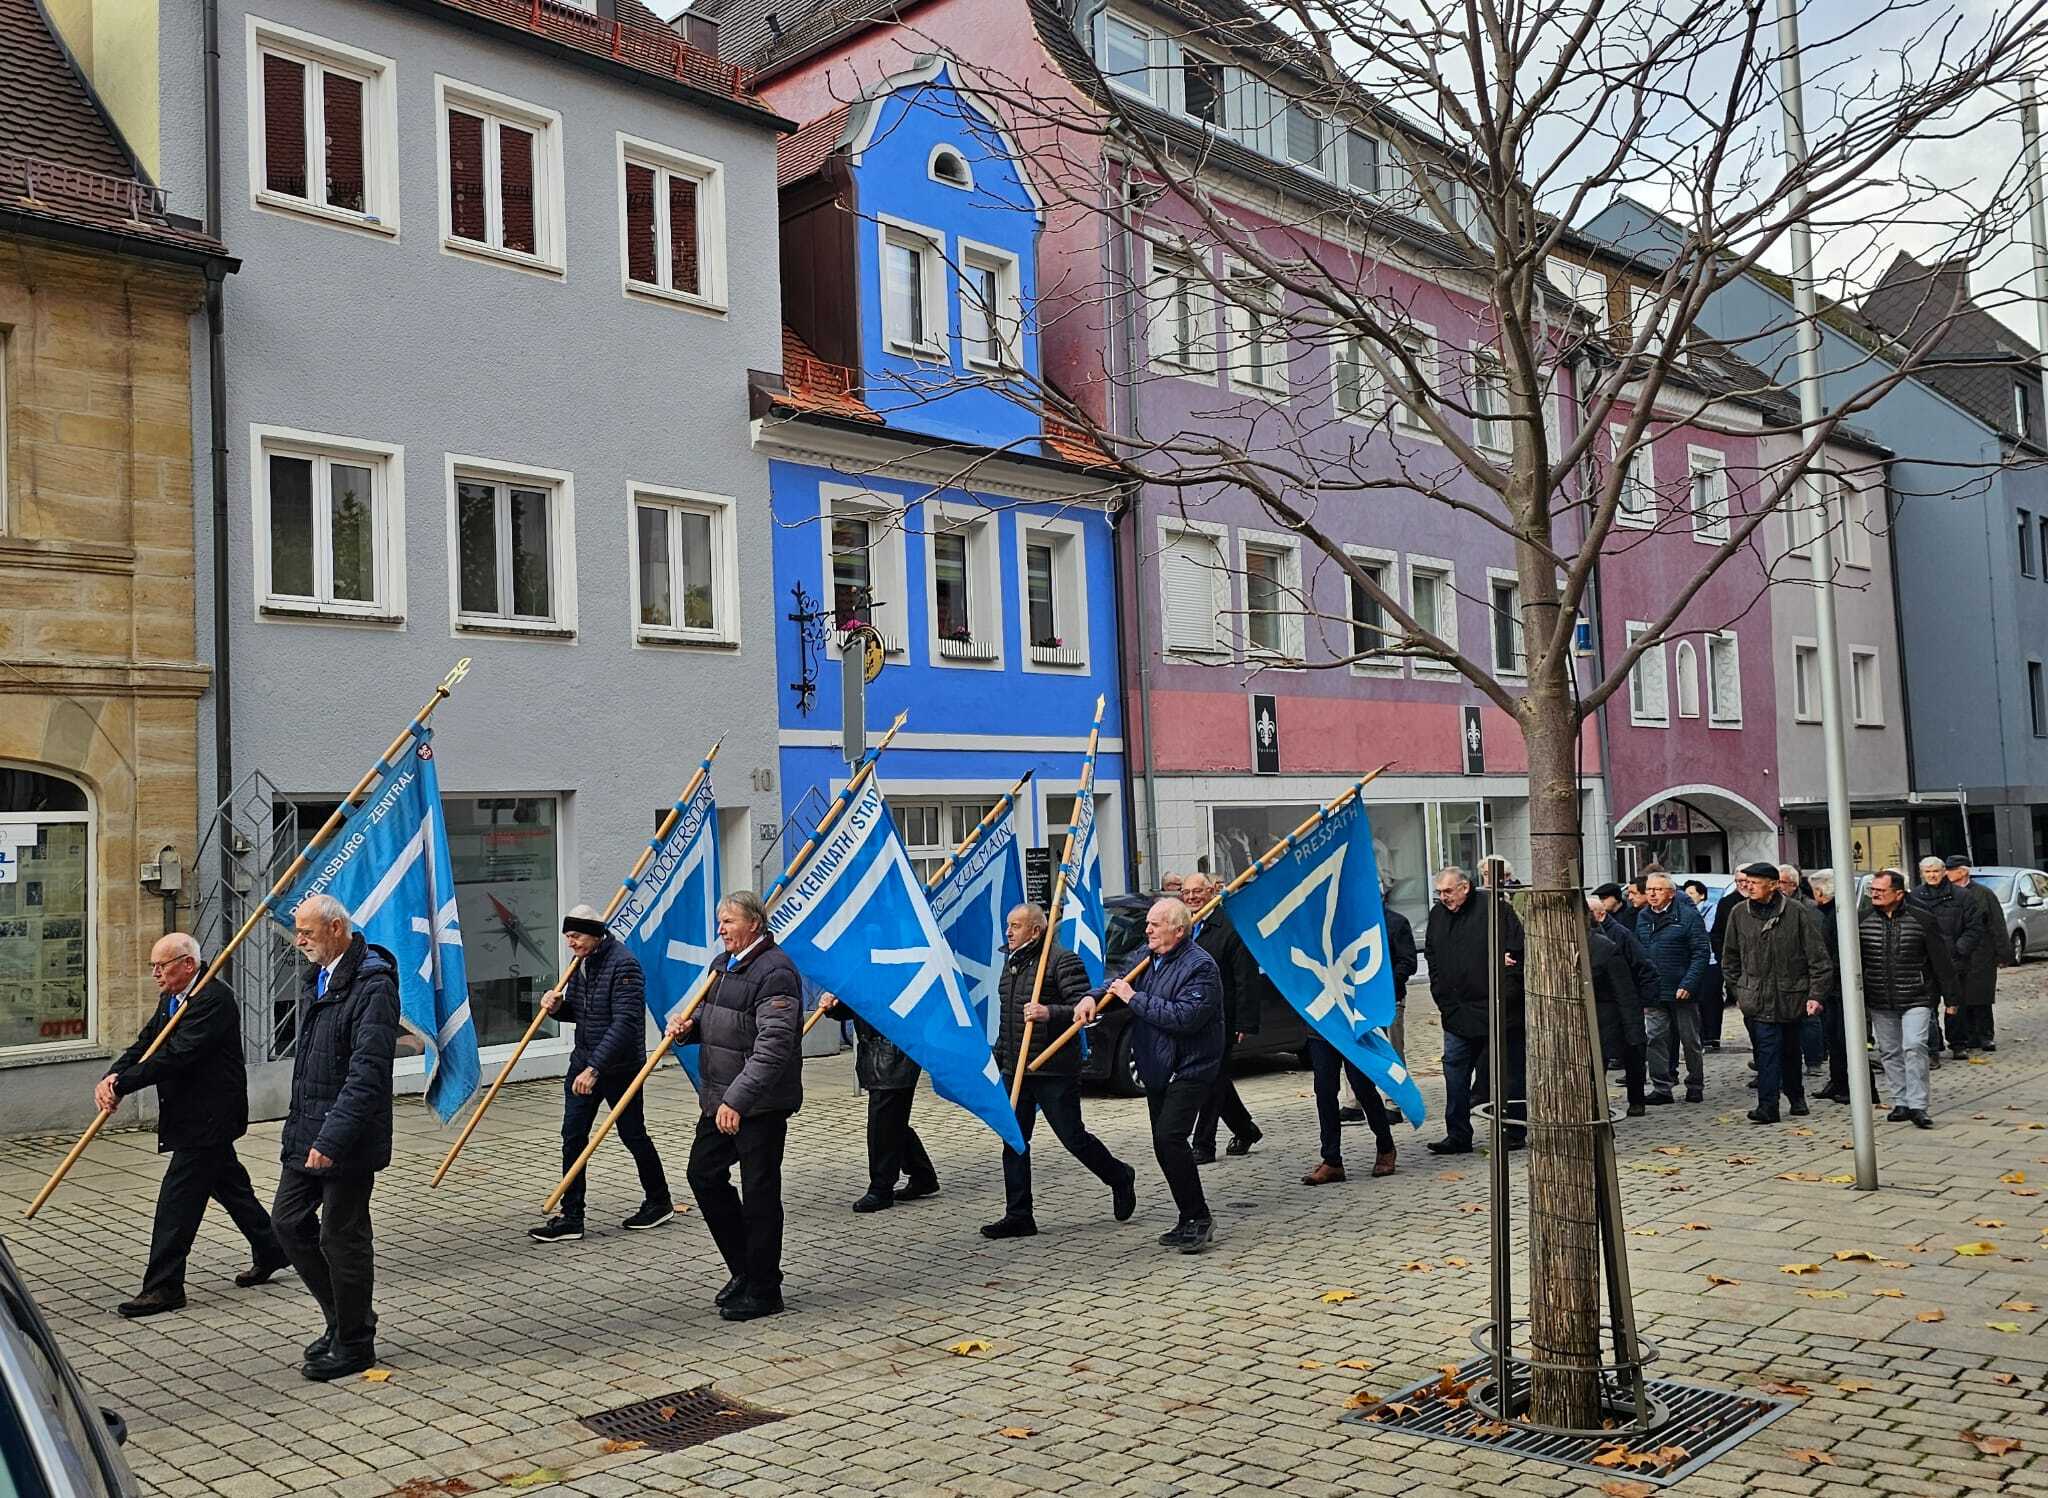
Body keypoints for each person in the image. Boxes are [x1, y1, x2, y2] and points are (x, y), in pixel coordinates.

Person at [99, 933, 287, 1318]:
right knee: (231, 1187)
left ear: (187, 964)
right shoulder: (172, 996)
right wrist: (112, 1076)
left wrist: (125, 1083)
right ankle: (273, 1248)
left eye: (161, 966)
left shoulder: (212, 999)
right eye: (153, 966)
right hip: (189, 1115)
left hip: (208, 1117)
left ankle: (164, 1287)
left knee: (177, 1203)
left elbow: (178, 1055)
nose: (155, 973)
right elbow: (148, 1043)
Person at [272, 894, 399, 1381]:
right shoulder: (319, 978)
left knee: (341, 1236)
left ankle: (355, 1343)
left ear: (337, 928)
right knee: (287, 1224)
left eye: (306, 932)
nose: (299, 941)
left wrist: (333, 1138)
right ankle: (344, 1318)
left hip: (347, 1136)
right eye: (297, 932)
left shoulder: (372, 983)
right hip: (308, 1126)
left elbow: (367, 1072)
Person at [669, 892, 802, 1322]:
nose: (720, 929)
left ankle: (765, 1288)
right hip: (720, 1096)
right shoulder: (721, 967)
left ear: (754, 924)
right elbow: (714, 1022)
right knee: (703, 1174)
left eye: (728, 921)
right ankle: (744, 1268)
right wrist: (688, 1029)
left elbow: (774, 1046)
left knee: (760, 1191)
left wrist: (737, 1100)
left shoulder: (775, 971)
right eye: (719, 921)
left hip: (757, 1103)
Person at [981, 903, 1135, 1240]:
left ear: (1036, 930)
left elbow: (1085, 1009)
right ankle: (1019, 1214)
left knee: (1072, 1137)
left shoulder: (1061, 960)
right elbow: (1009, 1020)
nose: (1009, 931)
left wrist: (1049, 1012)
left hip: (1052, 1069)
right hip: (1017, 1068)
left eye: (1016, 925)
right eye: (1008, 925)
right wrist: (1000, 1058)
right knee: (1014, 1140)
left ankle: (1119, 1176)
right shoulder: (1012, 964)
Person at [529, 906, 673, 1244]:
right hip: (584, 1061)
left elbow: (624, 1024)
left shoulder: (624, 965)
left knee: (632, 1134)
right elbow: (581, 1012)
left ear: (595, 933)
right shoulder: (582, 963)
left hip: (618, 1067)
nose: (571, 943)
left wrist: (596, 1068)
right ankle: (571, 1215)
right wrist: (556, 1007)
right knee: (573, 1136)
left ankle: (659, 1200)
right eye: (568, 937)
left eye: (576, 936)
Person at [1105, 897, 1224, 1253]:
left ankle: (1200, 1218)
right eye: (1148, 924)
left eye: (1155, 924)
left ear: (1179, 929)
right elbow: (1118, 981)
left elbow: (1184, 1017)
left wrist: (1133, 999)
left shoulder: (1200, 966)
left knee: (1171, 1138)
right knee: (1163, 1144)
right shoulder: (1148, 955)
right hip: (1157, 1066)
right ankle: (1187, 1216)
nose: (1148, 929)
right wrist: (1092, 997)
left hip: (1191, 1066)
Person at [1721, 863, 1833, 1125]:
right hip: (1756, 999)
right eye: (1746, 882)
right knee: (1767, 1051)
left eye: (1755, 882)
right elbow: (1730, 957)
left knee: (1791, 1051)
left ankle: (1796, 1096)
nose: (1748, 887)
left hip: (1791, 996)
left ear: (1773, 885)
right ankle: (1767, 1105)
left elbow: (1818, 958)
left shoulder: (1796, 912)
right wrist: (1740, 988)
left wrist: (1815, 995)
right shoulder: (1739, 913)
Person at [1424, 866, 1524, 1155]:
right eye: (1439, 892)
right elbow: (1432, 955)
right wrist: (1441, 996)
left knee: (1507, 1072)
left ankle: (1514, 1129)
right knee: (1454, 1071)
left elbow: (1516, 956)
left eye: (1448, 891)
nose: (1443, 898)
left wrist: (1505, 997)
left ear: (1465, 887)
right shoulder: (1438, 916)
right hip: (1456, 1011)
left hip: (1498, 1010)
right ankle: (1457, 1134)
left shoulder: (1495, 909)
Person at [816, 991, 938, 1212]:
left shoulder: (898, 968)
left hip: (896, 1052)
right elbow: (859, 1005)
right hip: (876, 1053)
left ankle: (881, 1188)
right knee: (892, 1121)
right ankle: (922, 1175)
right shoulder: (869, 967)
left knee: (883, 1124)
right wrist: (834, 1005)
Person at [1860, 869, 1956, 1129]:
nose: (1875, 894)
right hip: (1880, 997)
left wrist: (1951, 997)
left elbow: (1941, 959)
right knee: (1889, 1051)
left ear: (1899, 893)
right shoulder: (1863, 919)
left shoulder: (1922, 919)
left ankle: (1918, 1105)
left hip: (1917, 995)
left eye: (1881, 890)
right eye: (1873, 890)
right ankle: (1900, 1101)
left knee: (1914, 1046)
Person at [1178, 873, 1264, 1163]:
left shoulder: (1230, 927)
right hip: (1191, 1017)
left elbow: (1245, 977)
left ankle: (1204, 1144)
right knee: (1216, 1078)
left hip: (1222, 1019)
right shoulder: (1184, 927)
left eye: (1197, 892)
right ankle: (1245, 1128)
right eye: (1186, 892)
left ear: (1212, 891)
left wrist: (1244, 1022)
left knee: (1211, 1082)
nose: (1191, 897)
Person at [1633, 873, 1711, 1104]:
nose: (1652, 894)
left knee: (1690, 1040)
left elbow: (1701, 953)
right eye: (1649, 889)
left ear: (1670, 893)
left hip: (1682, 990)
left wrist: (1688, 983)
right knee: (1655, 1038)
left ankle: (1695, 1084)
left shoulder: (1687, 917)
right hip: (1654, 990)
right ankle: (1662, 1087)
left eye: (1658, 889)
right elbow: (1640, 951)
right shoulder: (1643, 917)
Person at [1342, 893, 1416, 1122]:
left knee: (1391, 1049)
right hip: (1356, 1000)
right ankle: (1353, 1101)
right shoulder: (1351, 924)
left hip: (1388, 999)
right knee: (1355, 1050)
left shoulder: (1396, 922)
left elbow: (1408, 962)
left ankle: (1393, 1103)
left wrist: (1386, 987)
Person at [1586, 899, 1657, 1117]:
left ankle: (1636, 1100)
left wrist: (1645, 1002)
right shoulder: (1591, 940)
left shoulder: (1616, 939)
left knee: (1631, 1052)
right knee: (1598, 1060)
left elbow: (1640, 970)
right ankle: (1594, 1105)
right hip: (1600, 1007)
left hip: (1617, 1007)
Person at [1907, 855, 1968, 1065]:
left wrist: (1959, 949)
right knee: (1927, 1006)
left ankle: (1959, 1043)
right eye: (1928, 871)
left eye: (1936, 871)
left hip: (1954, 957)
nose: (1932, 875)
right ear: (1922, 874)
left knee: (1954, 1004)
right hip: (1926, 960)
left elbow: (1974, 926)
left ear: (1944, 872)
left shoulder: (1961, 896)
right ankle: (1932, 1049)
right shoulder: (1914, 896)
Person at [1946, 855, 2002, 1057]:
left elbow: (1996, 923)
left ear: (1963, 871)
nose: (1946, 873)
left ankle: (1985, 1035)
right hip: (1957, 953)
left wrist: (2002, 952)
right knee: (1960, 997)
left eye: (1950, 870)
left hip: (1982, 953)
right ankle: (1967, 1036)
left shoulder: (1983, 894)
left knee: (1982, 996)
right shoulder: (1947, 893)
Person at [1808, 873, 1851, 1103]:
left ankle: (1849, 1085)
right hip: (1831, 987)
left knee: (1843, 1038)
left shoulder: (1837, 915)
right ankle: (1837, 1081)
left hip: (1838, 986)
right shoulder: (1827, 914)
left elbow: (1831, 953)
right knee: (1833, 1038)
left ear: (1821, 892)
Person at [1779, 865, 1827, 1076]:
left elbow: (1816, 942)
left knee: (1809, 1019)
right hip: (1779, 973)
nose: (1779, 887)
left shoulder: (1808, 908)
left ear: (1793, 884)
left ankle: (1814, 1060)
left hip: (1804, 970)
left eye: (1782, 883)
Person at [1683, 879, 1727, 1050]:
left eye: (1691, 894)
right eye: (1685, 894)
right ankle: (1701, 1036)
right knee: (1698, 1001)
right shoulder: (1684, 912)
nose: (1688, 897)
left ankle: (1712, 1036)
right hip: (1692, 962)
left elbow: (1707, 931)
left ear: (1701, 895)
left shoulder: (1711, 909)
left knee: (1711, 999)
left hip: (1711, 961)